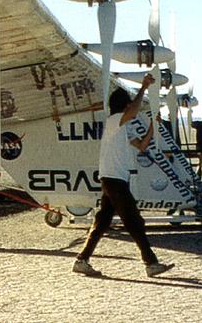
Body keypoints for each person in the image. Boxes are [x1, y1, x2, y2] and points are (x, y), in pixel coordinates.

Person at [72, 74, 175, 280]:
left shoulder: (122, 126)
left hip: (113, 179)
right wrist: (144, 87)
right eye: (128, 104)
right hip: (114, 179)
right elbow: (134, 110)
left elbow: (142, 145)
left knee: (102, 222)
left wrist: (153, 126)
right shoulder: (113, 121)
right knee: (134, 221)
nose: (131, 107)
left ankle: (81, 260)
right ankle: (151, 263)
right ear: (124, 105)